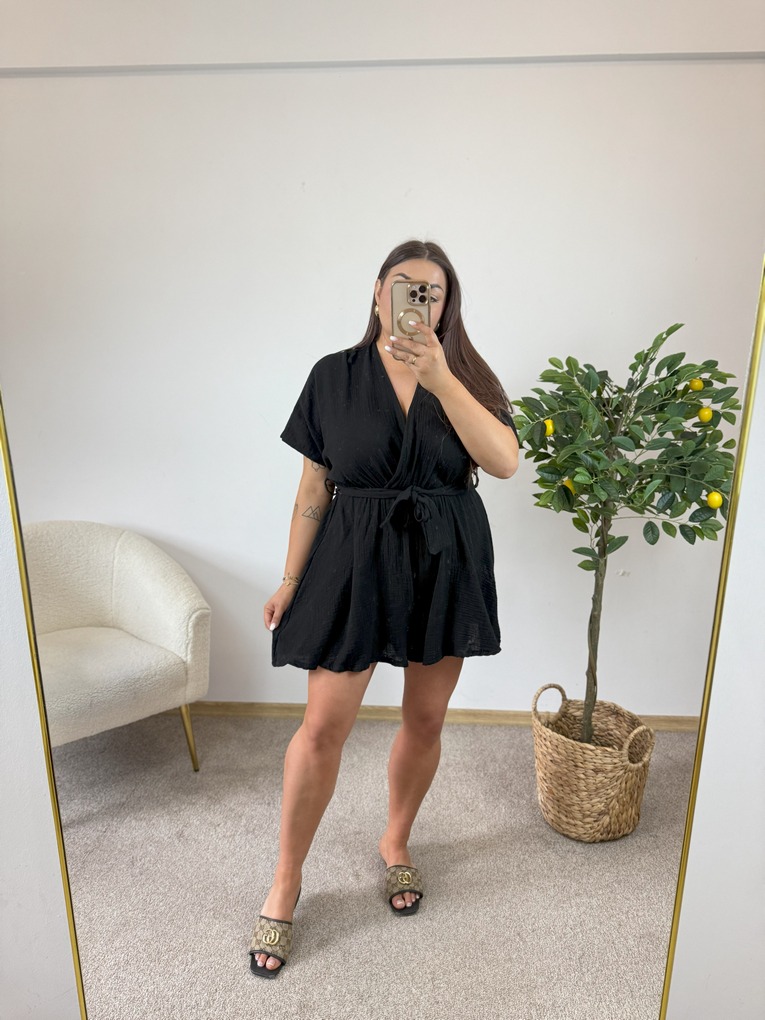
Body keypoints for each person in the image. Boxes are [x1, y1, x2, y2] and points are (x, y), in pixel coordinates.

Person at [249, 239, 519, 977]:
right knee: (321, 728)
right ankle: (286, 880)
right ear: (377, 292)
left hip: (444, 559)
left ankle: (395, 840)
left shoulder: (467, 376)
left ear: (447, 305)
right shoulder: (332, 376)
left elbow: (502, 461)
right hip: (352, 558)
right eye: (405, 286)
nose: (418, 300)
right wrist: (291, 579)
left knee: (425, 719)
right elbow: (314, 487)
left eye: (433, 291)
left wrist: (441, 378)